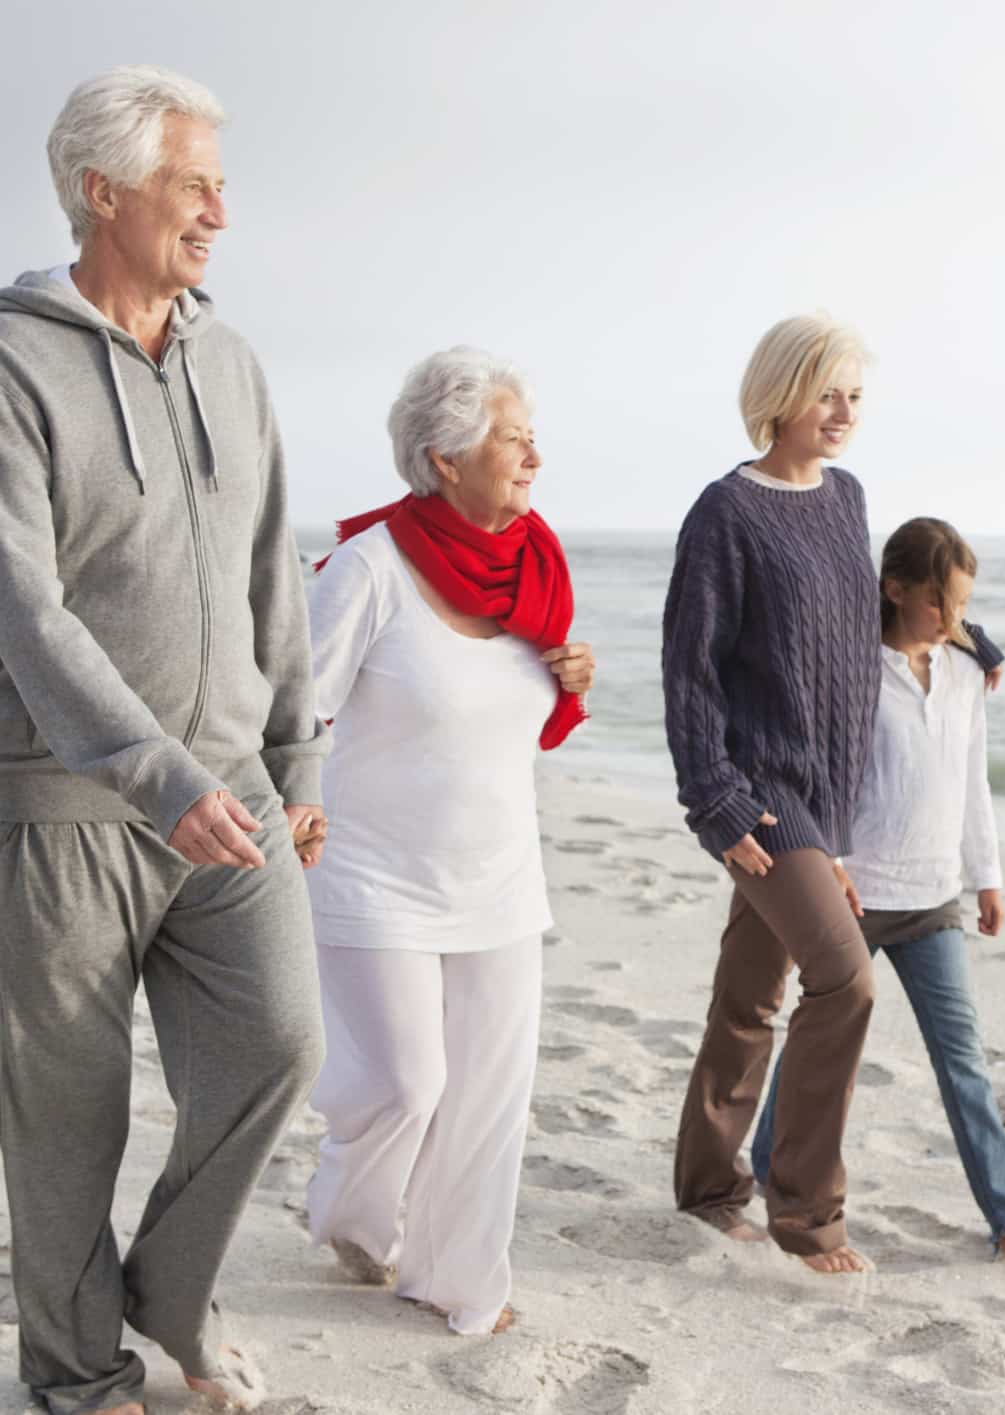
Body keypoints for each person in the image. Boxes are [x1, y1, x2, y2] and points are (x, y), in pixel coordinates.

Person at [0, 66, 328, 1414]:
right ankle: (77, 1371)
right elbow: (21, 606)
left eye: (219, 185)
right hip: (68, 800)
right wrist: (152, 768)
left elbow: (274, 580)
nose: (218, 213)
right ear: (104, 190)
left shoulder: (233, 361)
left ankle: (169, 1293)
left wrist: (293, 761)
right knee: (68, 1112)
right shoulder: (14, 364)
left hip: (236, 789)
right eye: (195, 183)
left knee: (279, 1042)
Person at [301, 348, 594, 1336]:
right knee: (403, 1083)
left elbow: (517, 717)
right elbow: (292, 709)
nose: (533, 458)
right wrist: (289, 803)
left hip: (500, 875)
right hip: (371, 869)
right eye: (514, 439)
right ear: (446, 455)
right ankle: (347, 1210)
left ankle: (457, 1280)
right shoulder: (368, 568)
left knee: (487, 1098)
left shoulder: (536, 565)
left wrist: (570, 677)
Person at [749, 517, 1005, 1257]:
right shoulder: (850, 667)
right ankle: (766, 1161)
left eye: (963, 604)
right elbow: (817, 771)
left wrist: (986, 877)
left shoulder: (966, 671)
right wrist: (827, 855)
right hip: (857, 894)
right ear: (895, 590)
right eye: (941, 603)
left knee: (963, 1061)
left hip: (935, 898)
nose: (954, 618)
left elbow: (973, 781)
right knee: (819, 1043)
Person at [663, 313, 886, 1274]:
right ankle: (806, 1211)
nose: (843, 413)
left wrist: (967, 641)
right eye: (828, 392)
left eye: (855, 396)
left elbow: (854, 635)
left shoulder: (848, 498)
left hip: (824, 798)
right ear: (782, 394)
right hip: (757, 797)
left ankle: (708, 1187)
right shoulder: (726, 513)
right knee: (846, 981)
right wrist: (716, 802)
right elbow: (691, 671)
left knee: (751, 997)